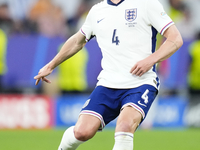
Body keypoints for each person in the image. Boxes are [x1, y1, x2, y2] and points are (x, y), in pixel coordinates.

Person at [34, 0, 183, 149]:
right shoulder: (97, 11)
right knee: (81, 132)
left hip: (140, 83)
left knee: (124, 127)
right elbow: (77, 41)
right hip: (108, 83)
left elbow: (175, 38)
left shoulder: (146, 4)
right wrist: (51, 65)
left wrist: (150, 60)